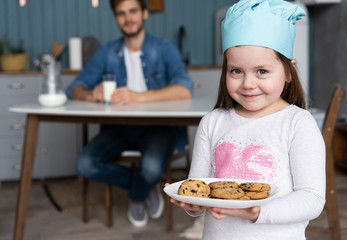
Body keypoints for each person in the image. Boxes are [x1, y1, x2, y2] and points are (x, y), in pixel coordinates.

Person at [170, 0, 325, 239]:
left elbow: (312, 198)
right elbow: (200, 189)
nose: (248, 84)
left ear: (288, 71)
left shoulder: (298, 123)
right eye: (236, 71)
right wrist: (194, 206)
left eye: (262, 71)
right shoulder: (212, 123)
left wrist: (254, 212)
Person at [66, 0, 193, 227]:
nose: (128, 18)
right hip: (119, 128)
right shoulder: (107, 52)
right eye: (121, 13)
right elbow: (75, 87)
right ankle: (144, 186)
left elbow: (184, 88)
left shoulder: (164, 48)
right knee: (84, 164)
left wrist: (139, 96)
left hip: (160, 129)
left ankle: (137, 195)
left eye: (133, 11)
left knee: (152, 167)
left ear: (144, 13)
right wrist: (89, 94)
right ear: (116, 18)